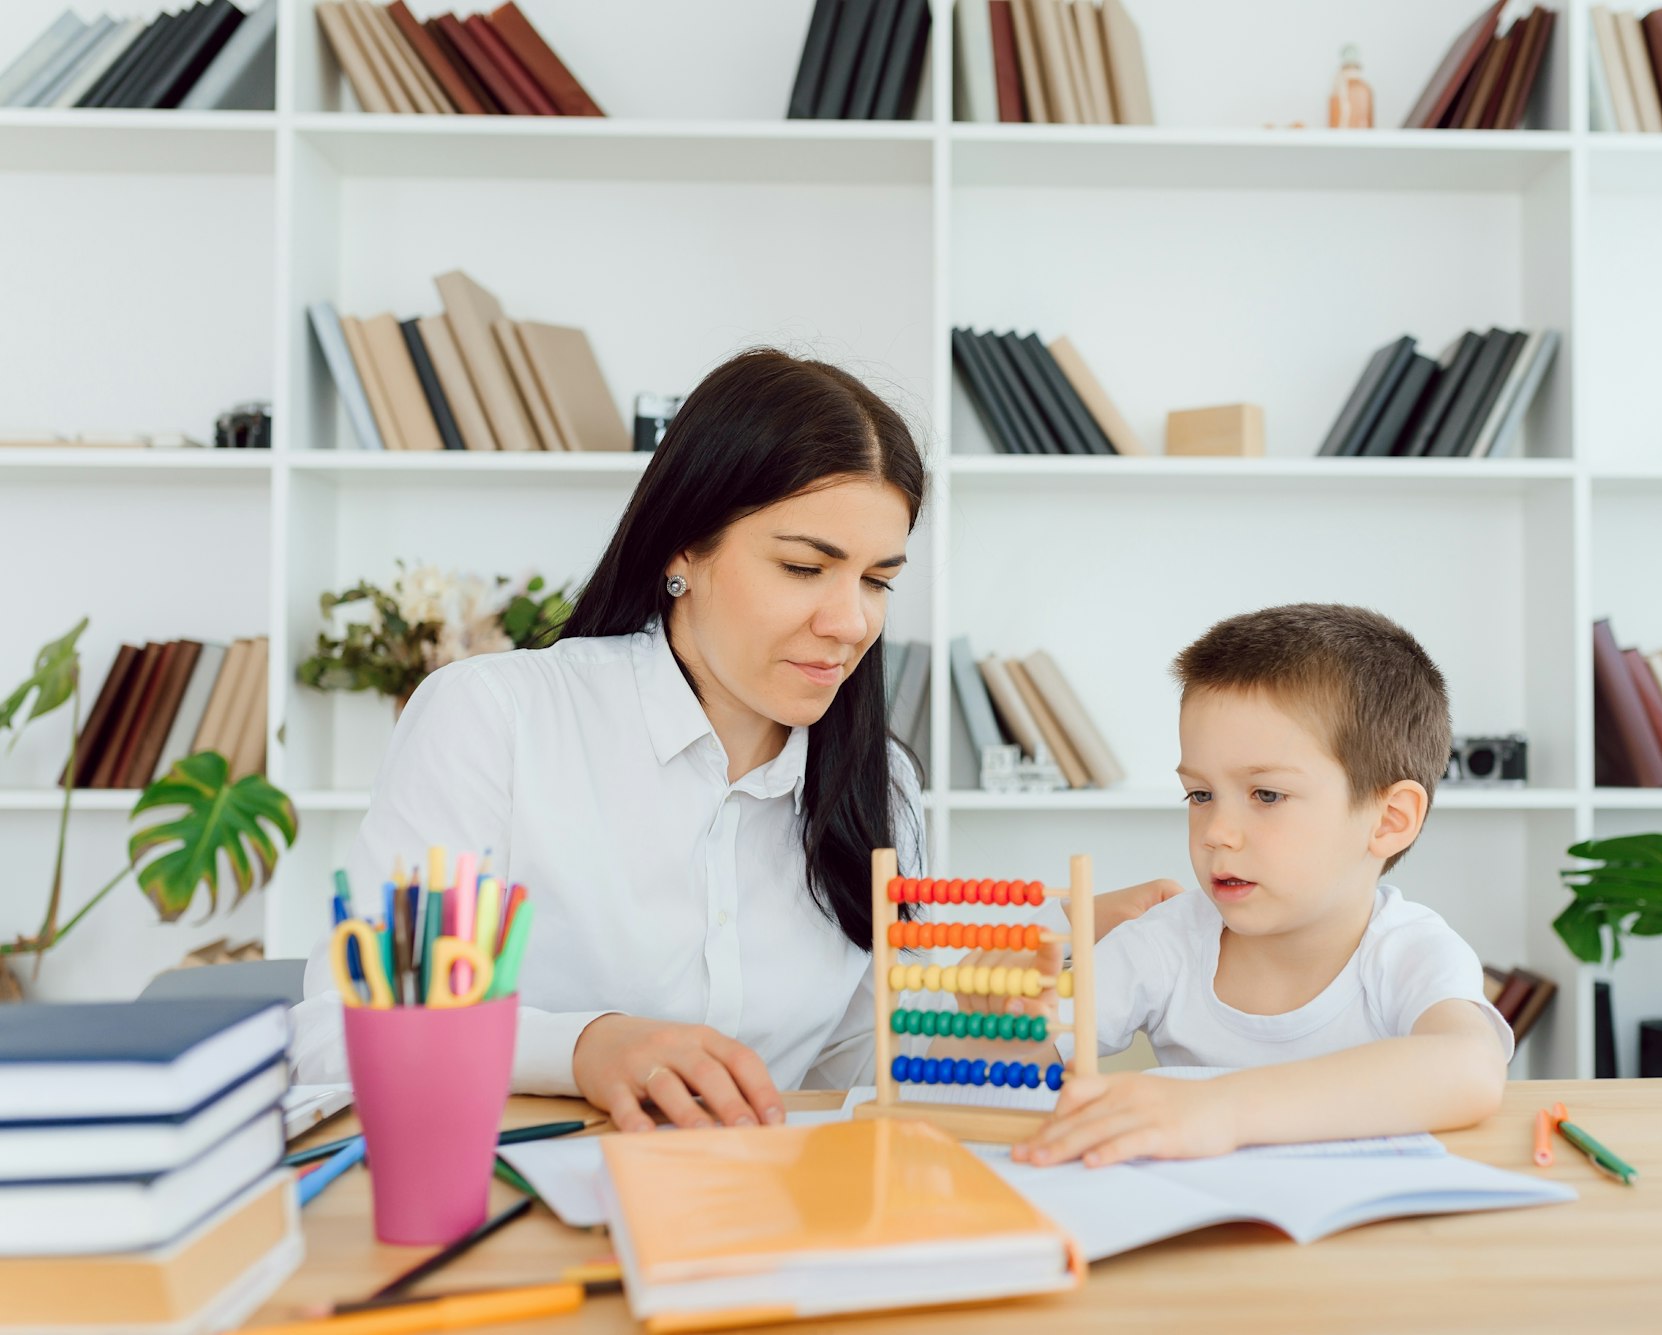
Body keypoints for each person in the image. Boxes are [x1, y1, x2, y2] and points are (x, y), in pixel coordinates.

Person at [290, 348, 1172, 1134]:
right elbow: (343, 1028)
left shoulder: (878, 784)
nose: (849, 621)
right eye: (803, 567)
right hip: (516, 1214)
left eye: (878, 580)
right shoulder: (494, 719)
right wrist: (589, 1048)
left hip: (761, 1228)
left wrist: (1029, 973)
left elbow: (859, 1077)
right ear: (684, 549)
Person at [1012, 603, 1511, 1167]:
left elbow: (1470, 1069)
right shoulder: (1167, 942)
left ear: (1389, 820)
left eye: (1266, 795)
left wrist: (1222, 1110)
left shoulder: (1408, 950)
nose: (1217, 834)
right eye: (1200, 795)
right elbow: (1010, 1070)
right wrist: (1003, 1023)